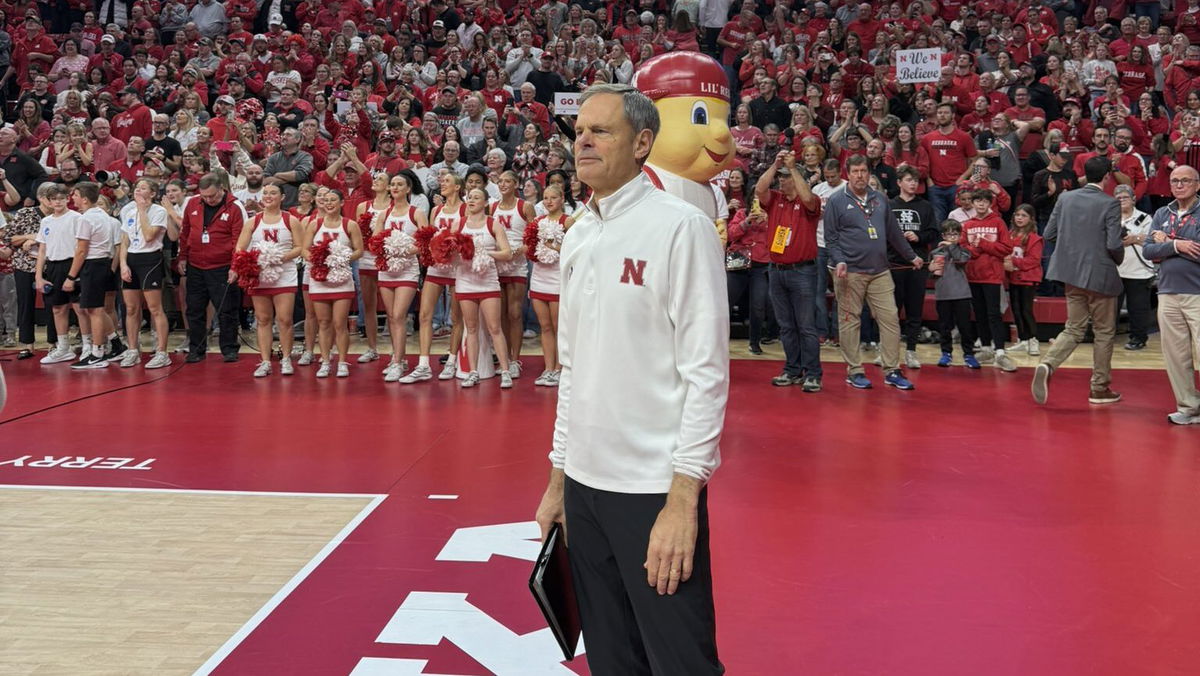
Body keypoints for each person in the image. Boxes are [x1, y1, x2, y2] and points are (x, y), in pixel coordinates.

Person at [534, 84, 727, 675]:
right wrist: (557, 480)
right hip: (585, 491)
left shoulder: (680, 227)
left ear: (643, 142)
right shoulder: (577, 233)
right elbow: (574, 369)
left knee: (680, 661)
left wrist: (682, 500)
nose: (583, 141)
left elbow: (707, 375)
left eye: (602, 131)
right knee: (613, 660)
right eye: (578, 132)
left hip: (651, 492)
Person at [1032, 156, 1125, 406]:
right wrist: (1119, 257)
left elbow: (1049, 233)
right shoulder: (1110, 203)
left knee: (1074, 328)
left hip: (1070, 273)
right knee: (1104, 332)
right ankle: (1099, 388)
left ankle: (1048, 363)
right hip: (1101, 274)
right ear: (1107, 177)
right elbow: (1114, 244)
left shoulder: (1065, 197)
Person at [825, 154, 922, 390]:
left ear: (870, 173)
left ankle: (892, 369)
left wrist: (911, 256)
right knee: (850, 322)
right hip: (849, 272)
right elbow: (831, 238)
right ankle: (855, 370)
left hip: (880, 270)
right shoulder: (836, 201)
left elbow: (894, 233)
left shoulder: (880, 199)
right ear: (847, 173)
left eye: (863, 171)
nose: (860, 175)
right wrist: (838, 261)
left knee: (890, 319)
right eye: (855, 171)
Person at [754, 148, 822, 390]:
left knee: (805, 325)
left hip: (802, 271)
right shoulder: (775, 199)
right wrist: (774, 165)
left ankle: (813, 372)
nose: (781, 180)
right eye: (780, 177)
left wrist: (794, 168)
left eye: (785, 177)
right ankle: (792, 369)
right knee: (786, 325)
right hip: (777, 270)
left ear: (796, 179)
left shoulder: (809, 201)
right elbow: (759, 189)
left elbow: (807, 199)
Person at [1142, 165, 1200, 425]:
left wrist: (1165, 242)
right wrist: (1177, 244)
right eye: (1175, 180)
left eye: (1185, 180)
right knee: (1176, 355)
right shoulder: (1161, 213)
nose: (1179, 185)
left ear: (1197, 185)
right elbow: (1148, 251)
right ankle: (1188, 407)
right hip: (1167, 293)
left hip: (1197, 294)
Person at [400, 172, 467, 384]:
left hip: (458, 267)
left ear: (457, 187)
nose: (442, 184)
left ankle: (452, 360)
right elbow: (429, 237)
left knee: (457, 318)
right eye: (442, 181)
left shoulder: (466, 209)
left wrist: (454, 247)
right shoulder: (436, 209)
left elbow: (470, 239)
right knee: (425, 315)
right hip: (437, 266)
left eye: (447, 181)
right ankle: (423, 364)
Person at [234, 183, 302, 377]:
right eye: (265, 193)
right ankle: (265, 361)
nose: (268, 196)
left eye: (273, 193)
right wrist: (252, 260)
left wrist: (278, 257)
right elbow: (240, 247)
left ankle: (286, 358)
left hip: (284, 274)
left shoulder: (291, 220)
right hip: (260, 275)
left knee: (284, 319)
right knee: (263, 319)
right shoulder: (253, 221)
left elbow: (299, 247)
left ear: (282, 197)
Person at [178, 172, 248, 363]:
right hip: (195, 265)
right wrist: (182, 256)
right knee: (194, 309)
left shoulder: (235, 206)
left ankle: (229, 348)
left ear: (222, 189)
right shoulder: (192, 203)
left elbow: (239, 240)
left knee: (226, 309)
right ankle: (197, 349)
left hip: (223, 266)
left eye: (213, 196)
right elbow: (185, 232)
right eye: (204, 196)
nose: (208, 200)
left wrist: (235, 266)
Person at [454, 187, 514, 388]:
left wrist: (485, 253)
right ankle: (473, 371)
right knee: (471, 328)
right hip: (465, 281)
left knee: (494, 328)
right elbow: (449, 250)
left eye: (476, 197)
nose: (471, 200)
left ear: (486, 202)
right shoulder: (459, 223)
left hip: (488, 281)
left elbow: (507, 253)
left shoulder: (493, 224)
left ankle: (505, 371)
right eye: (469, 197)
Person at [303, 187, 363, 378]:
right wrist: (318, 259)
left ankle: (343, 361)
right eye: (326, 200)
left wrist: (342, 258)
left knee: (340, 323)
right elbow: (304, 249)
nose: (329, 203)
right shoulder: (314, 224)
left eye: (333, 200)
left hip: (341, 278)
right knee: (323, 322)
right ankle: (326, 361)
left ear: (341, 203)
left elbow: (359, 250)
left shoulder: (350, 225)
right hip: (320, 278)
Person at [375, 172, 427, 383]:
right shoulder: (384, 215)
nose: (395, 187)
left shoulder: (417, 213)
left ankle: (397, 362)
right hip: (387, 268)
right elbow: (376, 242)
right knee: (391, 316)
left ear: (408, 189)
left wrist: (405, 250)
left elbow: (425, 242)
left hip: (407, 269)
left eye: (399, 184)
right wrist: (388, 248)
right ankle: (400, 358)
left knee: (398, 315)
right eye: (393, 184)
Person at [116, 178, 172, 369]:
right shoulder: (127, 210)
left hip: (150, 259)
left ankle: (162, 352)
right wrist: (123, 264)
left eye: (143, 188)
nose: (138, 191)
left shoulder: (159, 211)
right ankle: (133, 350)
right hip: (131, 259)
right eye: (137, 187)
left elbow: (149, 235)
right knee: (131, 308)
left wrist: (141, 210)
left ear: (153, 193)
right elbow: (125, 240)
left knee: (155, 308)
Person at [65, 182, 121, 369]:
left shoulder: (85, 219)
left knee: (94, 310)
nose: (72, 198)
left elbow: (81, 251)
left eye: (75, 195)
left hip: (93, 264)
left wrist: (71, 277)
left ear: (85, 199)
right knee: (98, 308)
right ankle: (116, 343)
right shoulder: (103, 215)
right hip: (102, 263)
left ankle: (97, 353)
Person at [961, 190, 1018, 372]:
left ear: (990, 204)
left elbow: (1007, 248)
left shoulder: (998, 222)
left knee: (994, 314)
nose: (980, 204)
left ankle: (1000, 351)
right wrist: (978, 250)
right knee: (979, 313)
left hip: (992, 276)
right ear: (973, 203)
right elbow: (963, 250)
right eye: (977, 201)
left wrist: (983, 244)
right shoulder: (968, 224)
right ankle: (985, 348)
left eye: (984, 201)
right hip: (973, 275)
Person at [889, 165, 938, 370]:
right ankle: (888, 352)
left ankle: (911, 351)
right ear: (899, 182)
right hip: (893, 263)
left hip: (918, 264)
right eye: (908, 180)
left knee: (914, 310)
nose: (912, 184)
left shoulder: (925, 206)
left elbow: (934, 232)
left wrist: (918, 237)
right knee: (891, 312)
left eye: (915, 181)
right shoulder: (889, 204)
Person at [490, 170, 536, 377]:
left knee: (514, 313)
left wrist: (519, 251)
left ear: (516, 183)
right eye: (500, 181)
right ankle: (505, 358)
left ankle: (515, 359)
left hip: (517, 264)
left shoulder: (525, 206)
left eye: (508, 181)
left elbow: (533, 237)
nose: (503, 184)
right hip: (497, 264)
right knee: (500, 316)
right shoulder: (492, 207)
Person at [525, 183, 572, 386]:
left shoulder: (568, 221)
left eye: (553, 197)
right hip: (539, 277)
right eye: (545, 197)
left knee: (558, 326)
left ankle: (561, 369)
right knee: (545, 327)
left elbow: (575, 251)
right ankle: (548, 368)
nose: (549, 201)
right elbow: (530, 246)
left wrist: (556, 246)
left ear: (562, 199)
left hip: (558, 279)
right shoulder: (537, 221)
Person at [34, 184, 83, 365]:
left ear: (67, 199)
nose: (58, 202)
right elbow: (42, 250)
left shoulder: (76, 218)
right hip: (53, 266)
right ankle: (63, 347)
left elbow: (81, 247)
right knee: (57, 308)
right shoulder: (46, 221)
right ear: (48, 201)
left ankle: (88, 345)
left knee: (80, 308)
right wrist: (38, 276)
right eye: (54, 199)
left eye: (61, 198)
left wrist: (74, 272)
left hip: (72, 263)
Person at [928, 220, 978, 368]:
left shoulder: (963, 250)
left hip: (961, 294)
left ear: (960, 235)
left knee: (964, 326)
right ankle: (946, 353)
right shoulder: (935, 252)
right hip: (943, 294)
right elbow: (932, 276)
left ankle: (968, 354)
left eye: (955, 234)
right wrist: (930, 269)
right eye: (948, 234)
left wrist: (951, 247)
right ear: (943, 235)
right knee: (944, 326)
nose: (952, 237)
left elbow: (960, 260)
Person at [1114, 184, 1156, 351]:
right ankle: (1106, 337)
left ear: (1133, 199)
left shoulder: (1145, 218)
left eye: (1125, 197)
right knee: (1110, 309)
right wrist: (1134, 238)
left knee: (1138, 308)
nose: (1121, 200)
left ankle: (1138, 338)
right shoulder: (1111, 217)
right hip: (1115, 270)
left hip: (1139, 271)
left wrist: (1133, 238)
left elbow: (1150, 239)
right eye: (1118, 198)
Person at [1004, 204, 1044, 356]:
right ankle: (1023, 339)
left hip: (1028, 278)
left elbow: (1034, 260)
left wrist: (1012, 262)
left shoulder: (1034, 238)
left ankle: (1033, 340)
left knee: (1026, 310)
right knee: (1016, 310)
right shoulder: (1010, 235)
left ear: (1031, 219)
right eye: (1018, 215)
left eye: (1024, 216)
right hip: (1014, 278)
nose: (1020, 218)